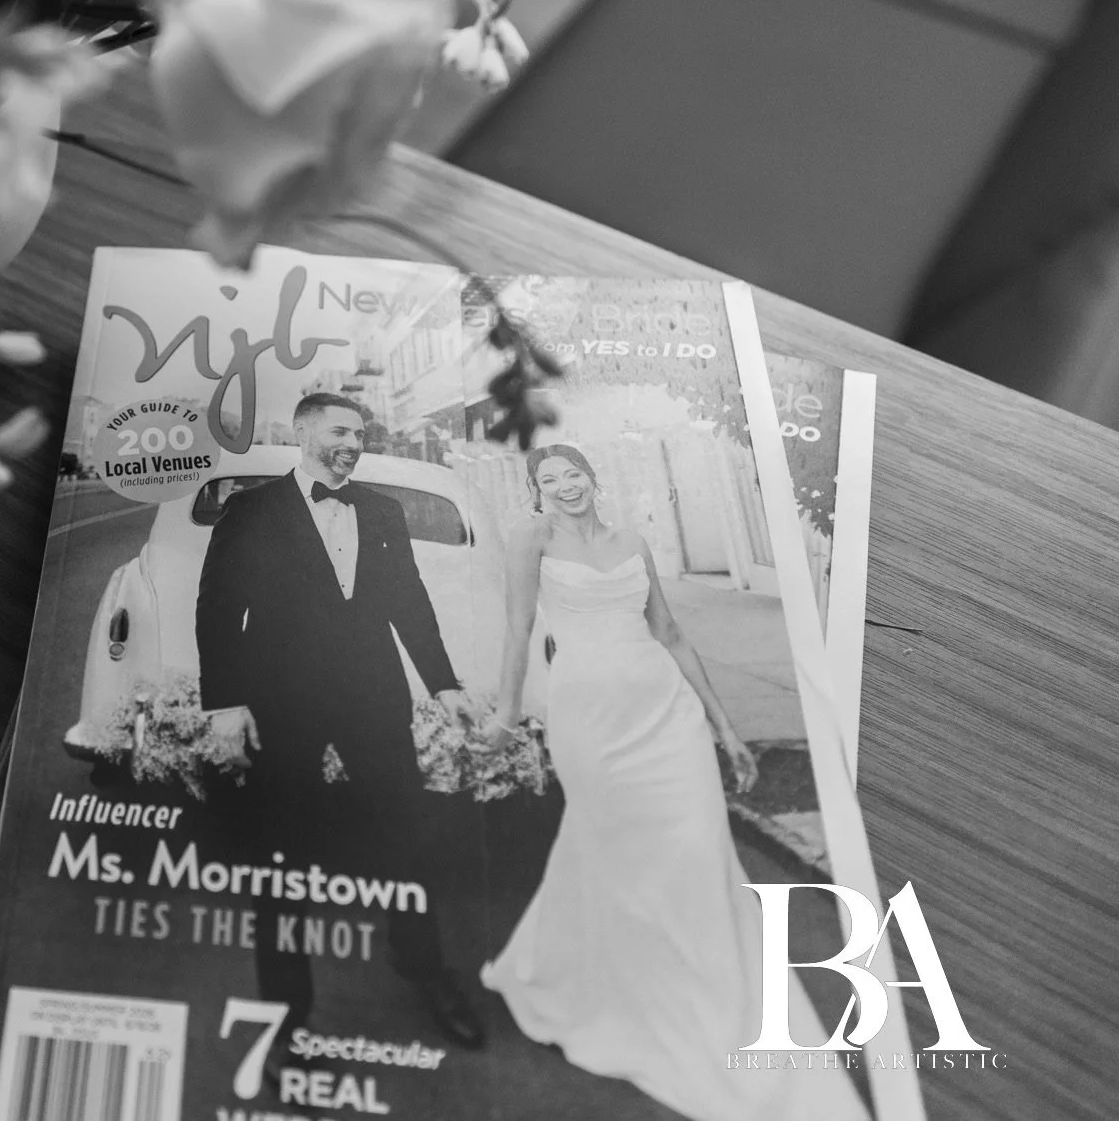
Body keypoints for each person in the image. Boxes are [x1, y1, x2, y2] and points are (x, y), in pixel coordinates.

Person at [482, 445, 867, 1120]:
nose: (565, 486)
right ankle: (600, 982)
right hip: (591, 724)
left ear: (593, 476)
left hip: (667, 717)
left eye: (574, 472)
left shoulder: (632, 540)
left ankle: (715, 1001)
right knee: (611, 855)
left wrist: (725, 727)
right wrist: (506, 716)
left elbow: (670, 632)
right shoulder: (531, 537)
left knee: (696, 850)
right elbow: (517, 631)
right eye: (550, 479)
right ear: (537, 490)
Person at [196, 392, 485, 1050]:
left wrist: (442, 683)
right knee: (281, 855)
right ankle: (287, 1015)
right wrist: (223, 704)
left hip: (371, 698)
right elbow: (218, 611)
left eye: (359, 432)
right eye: (339, 430)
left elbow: (409, 602)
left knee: (405, 833)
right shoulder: (251, 511)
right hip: (281, 703)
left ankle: (424, 967)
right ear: (302, 433)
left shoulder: (381, 512)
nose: (353, 442)